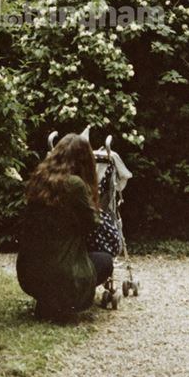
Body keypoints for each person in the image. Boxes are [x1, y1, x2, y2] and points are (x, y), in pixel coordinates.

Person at [16, 133, 114, 320]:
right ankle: (62, 303)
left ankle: (47, 300)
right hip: (61, 273)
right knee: (105, 261)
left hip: (29, 273)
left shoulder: (39, 179)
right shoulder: (75, 184)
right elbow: (92, 223)